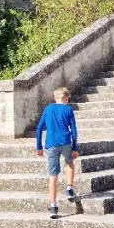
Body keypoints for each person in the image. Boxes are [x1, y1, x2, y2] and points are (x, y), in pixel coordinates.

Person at [35, 86, 79, 219]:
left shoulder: (48, 109)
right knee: (69, 163)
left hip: (51, 144)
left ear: (55, 98)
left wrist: (39, 147)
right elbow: (74, 130)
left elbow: (39, 129)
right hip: (65, 141)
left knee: (53, 176)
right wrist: (75, 147)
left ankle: (53, 207)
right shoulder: (68, 109)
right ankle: (69, 189)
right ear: (66, 98)